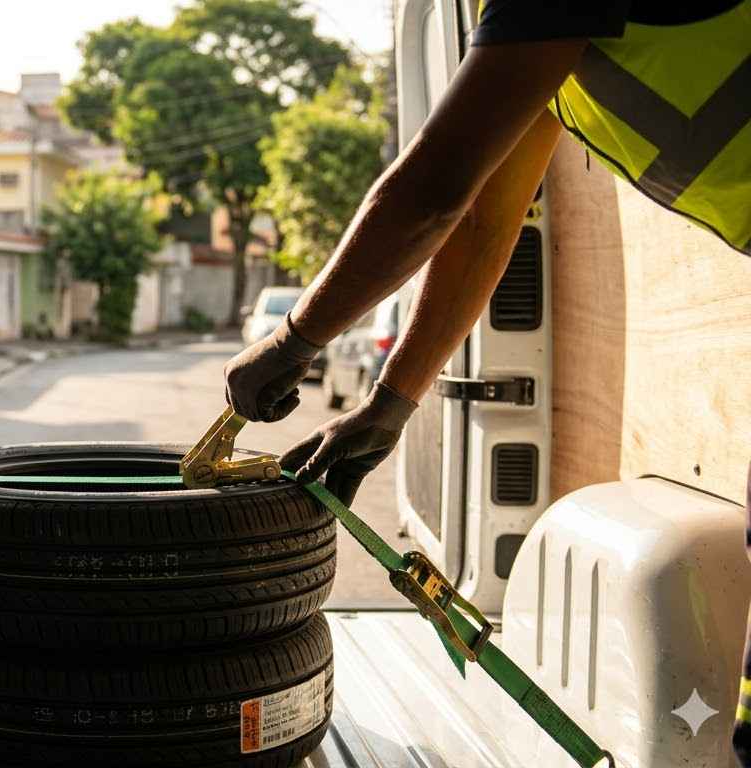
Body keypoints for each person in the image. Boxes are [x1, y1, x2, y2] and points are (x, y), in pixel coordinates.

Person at [221, 0, 750, 761]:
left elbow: (433, 189)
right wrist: (389, 403)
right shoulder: (530, 42)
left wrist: (294, 337)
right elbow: (476, 219)